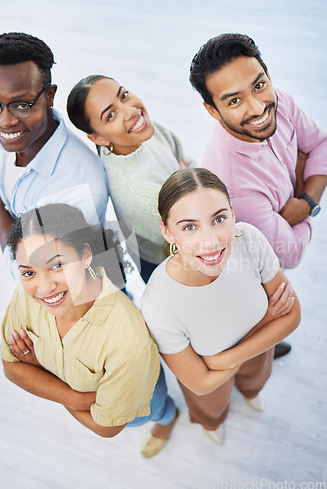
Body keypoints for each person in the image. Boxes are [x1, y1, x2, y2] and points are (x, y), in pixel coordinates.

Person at [0, 203, 178, 458]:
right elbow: (10, 368)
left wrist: (40, 370)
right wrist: (77, 399)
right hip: (93, 401)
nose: (44, 287)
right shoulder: (25, 294)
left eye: (56, 265)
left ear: (85, 256)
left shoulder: (129, 342)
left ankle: (168, 419)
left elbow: (107, 428)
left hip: (142, 397)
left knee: (153, 412)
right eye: (28, 272)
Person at [141, 168, 301, 445]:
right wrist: (267, 320)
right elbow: (199, 383)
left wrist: (224, 360)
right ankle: (211, 423)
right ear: (167, 232)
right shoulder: (158, 303)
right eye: (189, 226)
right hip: (228, 370)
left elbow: (293, 316)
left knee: (255, 380)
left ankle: (250, 392)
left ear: (233, 213)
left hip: (255, 355)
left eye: (219, 219)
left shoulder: (248, 238)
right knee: (210, 409)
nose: (211, 242)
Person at [189, 33, 327, 271]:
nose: (258, 108)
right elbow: (290, 254)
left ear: (267, 74)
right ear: (212, 110)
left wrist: (306, 202)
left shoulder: (279, 99)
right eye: (234, 101)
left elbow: (322, 143)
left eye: (258, 85)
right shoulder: (235, 191)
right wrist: (306, 183)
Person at [0, 33, 108, 275]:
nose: (5, 121)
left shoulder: (78, 184)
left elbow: (35, 272)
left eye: (21, 105)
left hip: (84, 302)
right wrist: (16, 240)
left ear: (49, 97)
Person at [67, 75, 197, 283]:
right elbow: (194, 233)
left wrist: (188, 185)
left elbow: (186, 160)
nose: (130, 111)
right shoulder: (134, 190)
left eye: (124, 96)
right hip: (170, 266)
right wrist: (190, 181)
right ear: (98, 138)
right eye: (110, 115)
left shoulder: (140, 130)